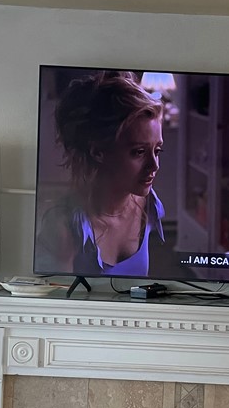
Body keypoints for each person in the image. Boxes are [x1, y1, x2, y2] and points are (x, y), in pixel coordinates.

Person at [35, 71, 167, 276]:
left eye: (157, 151)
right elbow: (53, 305)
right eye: (138, 152)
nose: (154, 165)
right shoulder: (63, 228)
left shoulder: (148, 206)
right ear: (98, 151)